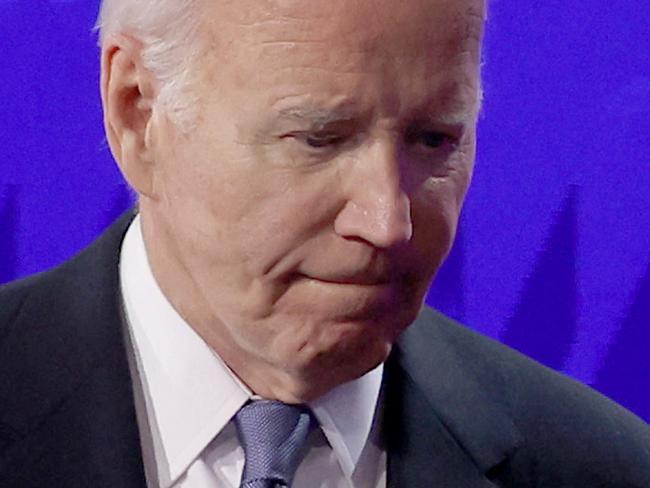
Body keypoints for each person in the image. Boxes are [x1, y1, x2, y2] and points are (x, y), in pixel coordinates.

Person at [1, 0, 649, 486]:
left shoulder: (601, 468)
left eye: (432, 140)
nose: (387, 222)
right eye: (320, 139)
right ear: (138, 112)